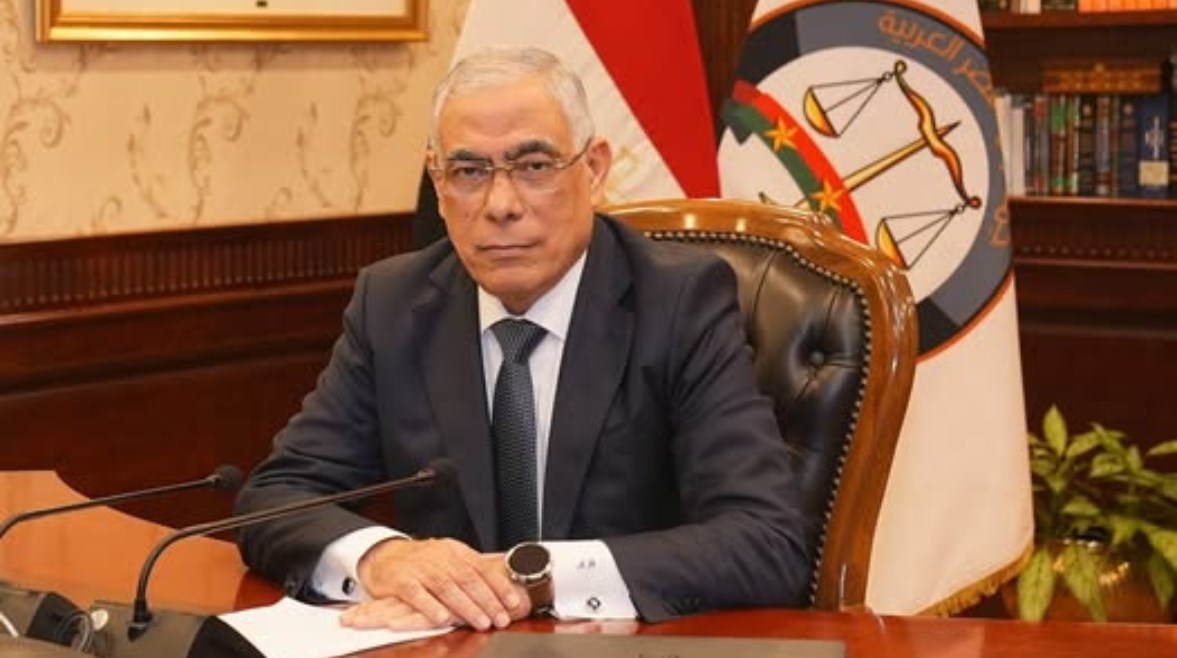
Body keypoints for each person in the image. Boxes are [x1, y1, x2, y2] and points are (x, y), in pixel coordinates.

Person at [234, 45, 809, 632]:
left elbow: (765, 540)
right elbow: (277, 496)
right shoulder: (394, 304)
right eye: (468, 172)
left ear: (594, 169)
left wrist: (530, 577)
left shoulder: (678, 302)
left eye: (534, 166)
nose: (501, 205)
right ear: (437, 181)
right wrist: (385, 558)